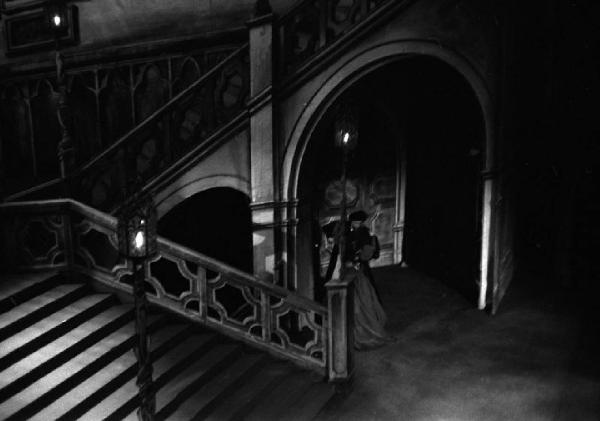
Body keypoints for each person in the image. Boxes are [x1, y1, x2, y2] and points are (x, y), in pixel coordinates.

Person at [322, 211, 394, 350]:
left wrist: (358, 259)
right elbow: (338, 256)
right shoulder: (344, 234)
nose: (358, 225)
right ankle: (340, 333)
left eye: (360, 223)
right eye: (356, 222)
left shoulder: (361, 233)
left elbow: (363, 253)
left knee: (361, 302)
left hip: (356, 272)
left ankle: (358, 333)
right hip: (344, 269)